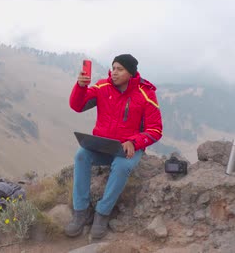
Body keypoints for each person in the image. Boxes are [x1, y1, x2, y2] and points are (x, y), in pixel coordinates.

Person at [65, 54, 163, 239]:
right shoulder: (103, 87)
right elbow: (77, 106)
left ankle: (102, 214)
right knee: (81, 155)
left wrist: (134, 141)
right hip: (102, 145)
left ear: (131, 72)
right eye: (113, 68)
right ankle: (81, 212)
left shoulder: (145, 94)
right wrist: (80, 86)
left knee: (122, 166)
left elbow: (155, 130)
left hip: (129, 148)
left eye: (120, 69)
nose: (114, 72)